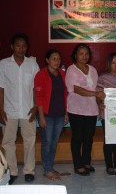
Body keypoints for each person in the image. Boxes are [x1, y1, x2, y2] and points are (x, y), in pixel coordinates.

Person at [0, 33, 39, 184]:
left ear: (27, 48)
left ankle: (29, 171)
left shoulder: (33, 64)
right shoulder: (3, 64)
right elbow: (1, 88)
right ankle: (12, 171)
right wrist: (0, 109)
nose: (21, 48)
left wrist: (36, 106)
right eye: (18, 45)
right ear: (12, 47)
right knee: (8, 141)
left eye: (24, 46)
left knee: (30, 140)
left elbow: (37, 88)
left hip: (28, 109)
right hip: (9, 109)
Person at [65, 43, 105, 176]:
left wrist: (99, 103)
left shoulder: (93, 70)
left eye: (86, 53)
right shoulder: (71, 70)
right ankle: (78, 164)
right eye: (81, 53)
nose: (84, 56)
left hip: (91, 109)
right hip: (76, 109)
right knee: (77, 137)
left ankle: (86, 161)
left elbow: (97, 88)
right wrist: (95, 94)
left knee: (89, 137)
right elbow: (76, 89)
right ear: (75, 55)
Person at [34, 49, 68, 180]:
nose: (57, 61)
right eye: (54, 58)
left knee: (54, 142)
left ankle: (50, 167)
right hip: (46, 114)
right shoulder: (41, 74)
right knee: (47, 142)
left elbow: (65, 94)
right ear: (47, 60)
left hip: (59, 114)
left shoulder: (62, 74)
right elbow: (39, 97)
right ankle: (47, 170)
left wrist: (65, 112)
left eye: (59, 59)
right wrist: (41, 116)